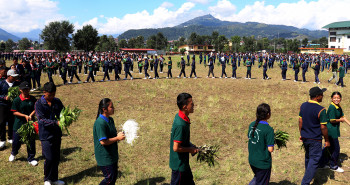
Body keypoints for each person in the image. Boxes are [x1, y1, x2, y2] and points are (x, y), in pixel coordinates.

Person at [35, 82, 65, 185]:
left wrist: (65, 118)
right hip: (46, 135)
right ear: (44, 92)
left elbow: (63, 112)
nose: (52, 97)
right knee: (49, 157)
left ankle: (54, 178)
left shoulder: (57, 101)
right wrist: (56, 122)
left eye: (53, 94)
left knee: (56, 157)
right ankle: (47, 179)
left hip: (56, 133)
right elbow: (41, 120)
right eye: (50, 95)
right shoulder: (39, 103)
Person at [299, 86, 329, 185]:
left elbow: (300, 121)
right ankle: (305, 182)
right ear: (317, 96)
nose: (323, 96)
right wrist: (327, 140)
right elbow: (323, 127)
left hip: (305, 137)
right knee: (315, 159)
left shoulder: (303, 105)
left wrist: (301, 133)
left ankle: (307, 175)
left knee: (308, 156)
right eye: (321, 95)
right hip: (315, 139)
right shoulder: (321, 110)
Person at [93, 98, 125, 185]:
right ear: (104, 109)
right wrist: (117, 138)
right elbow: (103, 142)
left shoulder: (110, 120)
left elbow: (111, 136)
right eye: (111, 107)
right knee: (109, 179)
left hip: (112, 155)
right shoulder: (100, 123)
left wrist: (119, 135)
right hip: (105, 157)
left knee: (113, 177)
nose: (113, 108)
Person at [169, 93, 198, 185]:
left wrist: (190, 145)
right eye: (191, 104)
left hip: (183, 164)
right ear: (185, 107)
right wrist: (191, 149)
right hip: (179, 165)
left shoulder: (180, 116)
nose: (193, 105)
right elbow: (176, 148)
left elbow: (181, 140)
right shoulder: (181, 124)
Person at [319, 92, 350, 173]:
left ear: (340, 98)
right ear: (331, 99)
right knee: (336, 148)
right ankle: (333, 165)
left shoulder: (338, 106)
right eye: (335, 98)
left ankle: (322, 163)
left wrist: (349, 123)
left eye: (338, 98)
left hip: (334, 129)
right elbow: (332, 120)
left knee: (328, 147)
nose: (336, 99)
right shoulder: (332, 107)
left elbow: (342, 116)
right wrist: (341, 120)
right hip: (330, 130)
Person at [9, 81, 37, 166]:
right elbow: (14, 112)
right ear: (20, 90)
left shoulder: (32, 99)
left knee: (31, 141)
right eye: (24, 89)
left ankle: (31, 158)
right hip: (19, 124)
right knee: (17, 141)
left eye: (28, 89)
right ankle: (13, 153)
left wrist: (31, 115)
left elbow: (36, 108)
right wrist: (24, 115)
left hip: (30, 123)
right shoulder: (17, 100)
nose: (26, 91)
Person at [248, 103, 274, 185]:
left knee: (258, 178)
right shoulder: (268, 129)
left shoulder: (252, 125)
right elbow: (270, 149)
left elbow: (250, 138)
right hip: (262, 163)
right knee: (261, 181)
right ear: (268, 114)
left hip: (252, 160)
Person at [0, 69, 20, 149]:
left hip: (12, 105)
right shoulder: (1, 83)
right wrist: (4, 97)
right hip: (2, 105)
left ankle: (10, 137)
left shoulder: (17, 84)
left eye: (16, 76)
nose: (15, 78)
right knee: (1, 122)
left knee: (11, 121)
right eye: (13, 77)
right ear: (8, 76)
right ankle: (2, 139)